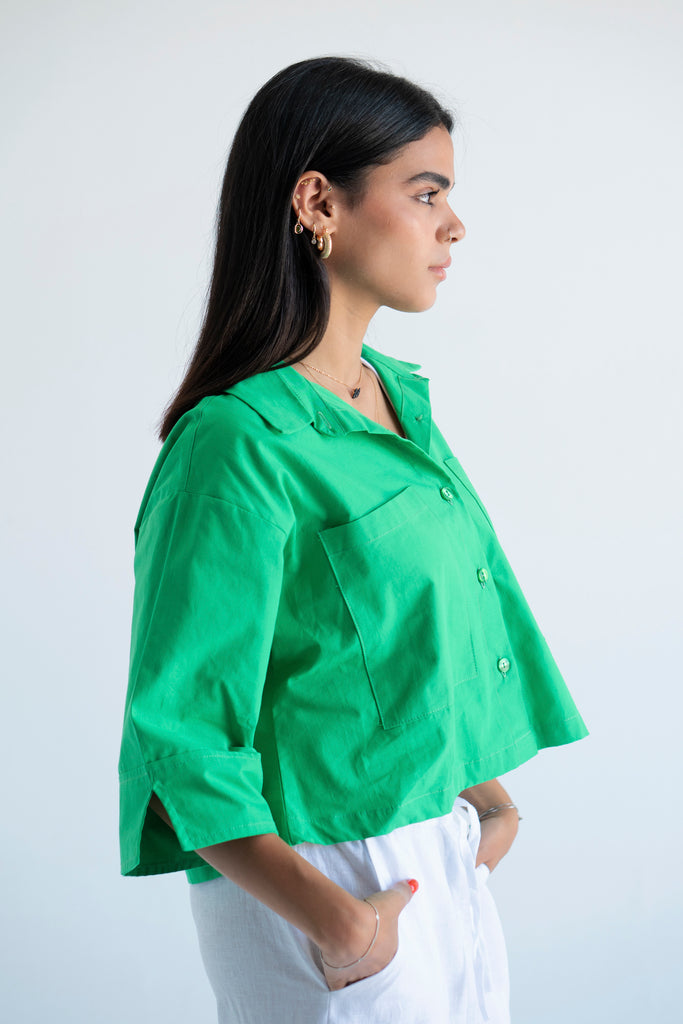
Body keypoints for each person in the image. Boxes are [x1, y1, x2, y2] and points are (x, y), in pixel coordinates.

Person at [117, 56, 588, 1023]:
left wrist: (477, 795)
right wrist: (342, 928)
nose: (452, 224)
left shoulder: (391, 404)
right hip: (323, 890)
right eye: (425, 193)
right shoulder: (237, 444)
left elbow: (364, 653)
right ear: (317, 203)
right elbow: (184, 739)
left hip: (430, 871)